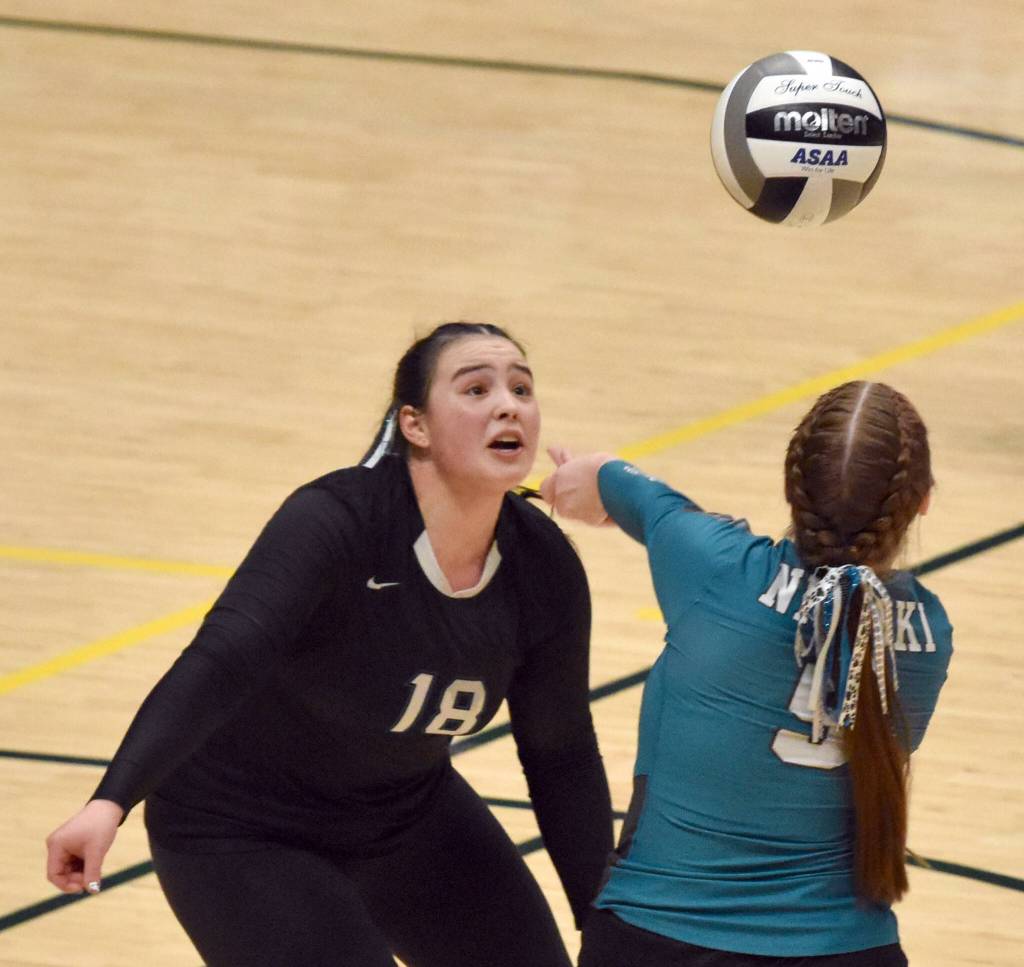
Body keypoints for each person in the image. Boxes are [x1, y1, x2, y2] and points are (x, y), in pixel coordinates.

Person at [45, 322, 614, 967]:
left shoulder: (543, 569)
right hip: (237, 828)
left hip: (405, 816)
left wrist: (608, 922)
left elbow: (560, 753)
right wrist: (111, 801)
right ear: (415, 426)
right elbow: (224, 657)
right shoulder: (337, 521)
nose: (508, 404)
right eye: (476, 389)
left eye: (521, 388)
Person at [539, 381, 952, 966]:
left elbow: (627, 488)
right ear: (923, 501)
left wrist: (594, 477)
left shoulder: (711, 564)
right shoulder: (929, 635)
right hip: (845, 950)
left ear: (791, 486)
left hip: (659, 938)